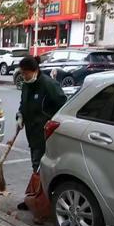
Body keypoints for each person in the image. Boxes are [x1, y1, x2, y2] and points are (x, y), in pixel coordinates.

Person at [16, 55, 66, 210]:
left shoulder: (49, 85)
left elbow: (63, 106)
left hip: (46, 134)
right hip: (32, 132)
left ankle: (40, 201)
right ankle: (36, 197)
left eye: (26, 73)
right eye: (22, 73)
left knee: (40, 166)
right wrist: (20, 115)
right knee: (36, 165)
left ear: (35, 70)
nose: (24, 76)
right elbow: (23, 104)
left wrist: (51, 123)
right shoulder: (26, 85)